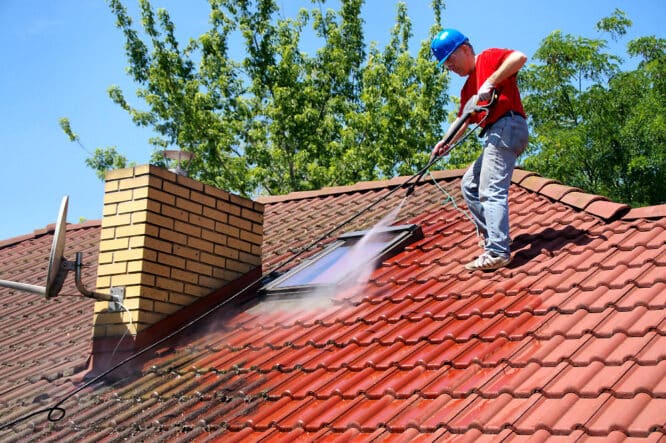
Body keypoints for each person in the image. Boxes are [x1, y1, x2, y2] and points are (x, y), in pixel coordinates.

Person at [430, 29, 529, 271]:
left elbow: (520, 57)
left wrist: (491, 81)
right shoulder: (467, 90)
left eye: (450, 59)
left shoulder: (488, 58)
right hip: (497, 132)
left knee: (489, 188)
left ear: (465, 48)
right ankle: (493, 240)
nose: (449, 67)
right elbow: (464, 119)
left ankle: (498, 250)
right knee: (470, 185)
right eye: (446, 64)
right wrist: (445, 142)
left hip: (508, 125)